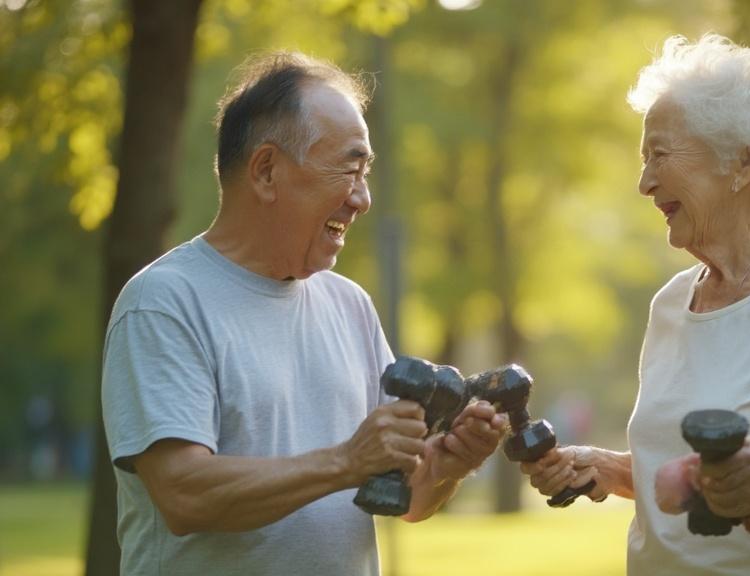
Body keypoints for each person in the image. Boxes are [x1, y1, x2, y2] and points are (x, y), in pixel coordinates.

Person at [101, 52, 507, 576]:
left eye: (366, 173)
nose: (363, 198)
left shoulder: (350, 305)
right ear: (267, 171)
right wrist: (345, 461)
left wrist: (450, 465)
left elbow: (403, 495)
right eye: (349, 169)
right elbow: (183, 494)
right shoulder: (163, 303)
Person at [522, 34, 750, 575]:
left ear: (742, 162)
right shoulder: (672, 304)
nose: (644, 182)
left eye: (660, 154)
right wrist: (607, 468)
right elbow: (697, 473)